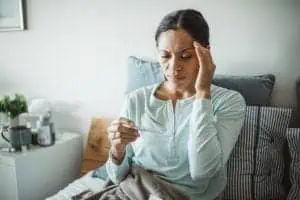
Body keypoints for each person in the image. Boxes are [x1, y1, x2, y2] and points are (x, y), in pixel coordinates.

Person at [106, 9, 246, 200]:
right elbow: (116, 177)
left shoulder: (229, 102)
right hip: (136, 192)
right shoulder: (135, 100)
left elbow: (202, 172)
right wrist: (117, 149)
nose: (173, 67)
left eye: (186, 56)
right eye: (165, 55)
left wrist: (203, 92)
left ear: (204, 52)